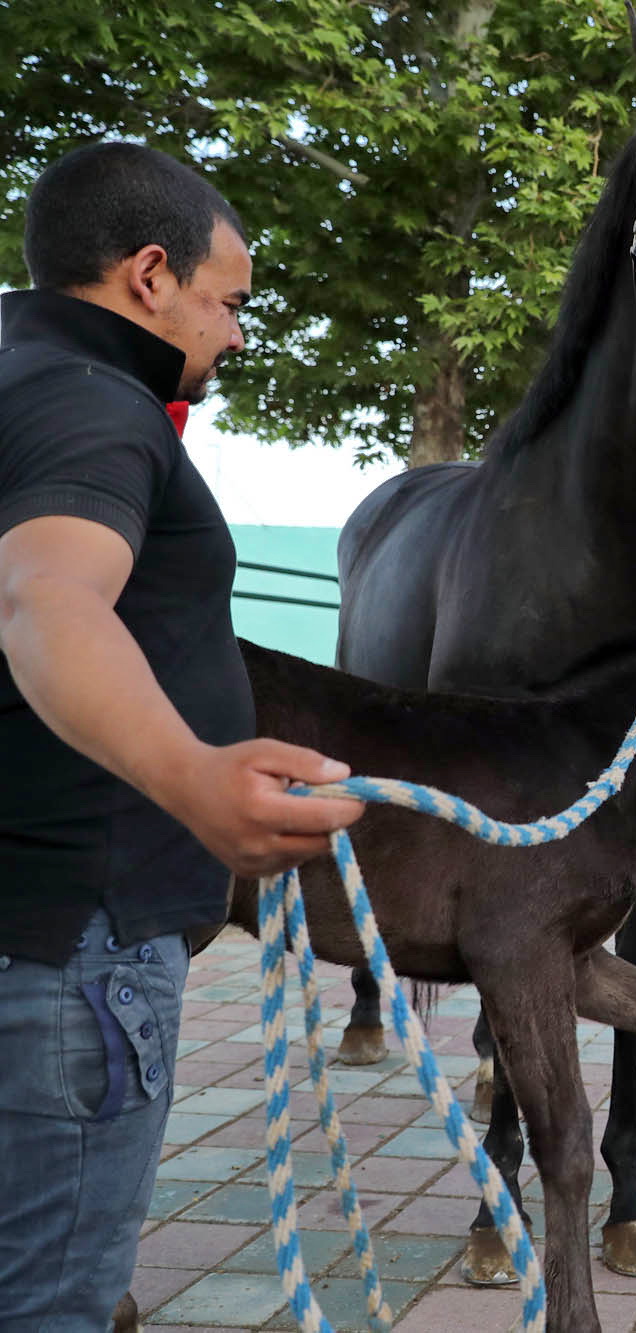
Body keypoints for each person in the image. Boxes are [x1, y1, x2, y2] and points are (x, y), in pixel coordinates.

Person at [0, 142, 362, 1330]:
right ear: (150, 275)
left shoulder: (17, 382)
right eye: (229, 300)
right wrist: (193, 775)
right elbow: (47, 599)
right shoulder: (90, 404)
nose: (238, 334)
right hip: (74, 951)